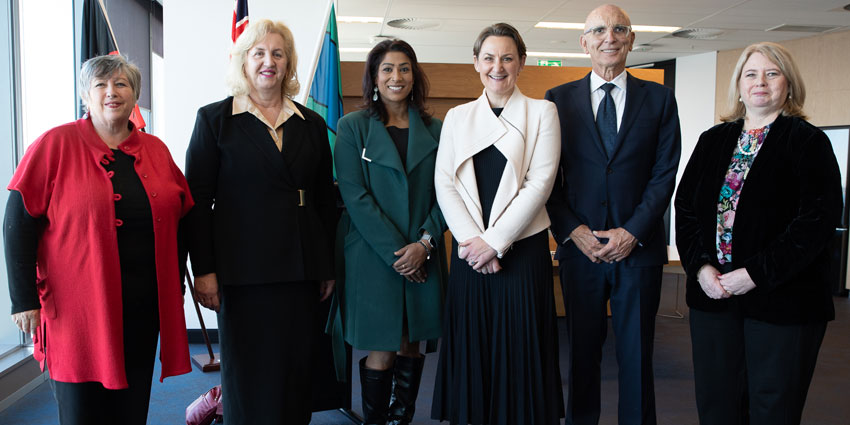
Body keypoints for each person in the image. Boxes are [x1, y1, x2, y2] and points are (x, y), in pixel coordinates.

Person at [3, 54, 193, 424]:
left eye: (121, 84)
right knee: (81, 411)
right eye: (101, 85)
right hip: (76, 312)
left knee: (131, 407)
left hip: (140, 306)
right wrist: (22, 299)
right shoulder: (54, 145)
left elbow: (184, 217)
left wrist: (177, 285)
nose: (112, 92)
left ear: (135, 95)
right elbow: (17, 224)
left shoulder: (156, 150)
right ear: (85, 96)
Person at [675, 42, 841, 425]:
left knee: (773, 408)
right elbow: (685, 211)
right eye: (751, 74)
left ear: (788, 84)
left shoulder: (808, 142)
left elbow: (815, 222)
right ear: (738, 85)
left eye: (772, 73)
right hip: (714, 296)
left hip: (783, 301)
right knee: (717, 406)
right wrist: (701, 268)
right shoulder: (713, 140)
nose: (760, 82)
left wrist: (754, 274)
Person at [185, 19, 336, 424]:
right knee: (249, 375)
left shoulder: (312, 124)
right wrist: (205, 271)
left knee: (294, 371)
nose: (268, 61)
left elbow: (324, 200)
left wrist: (325, 266)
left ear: (288, 64)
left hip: (301, 268)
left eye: (278, 53)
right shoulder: (215, 120)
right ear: (243, 61)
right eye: (259, 53)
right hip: (241, 272)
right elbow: (197, 202)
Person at [545, 4, 682, 424]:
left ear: (632, 39)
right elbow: (546, 179)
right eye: (600, 30)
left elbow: (664, 175)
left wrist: (631, 232)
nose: (611, 37)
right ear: (583, 42)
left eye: (619, 29)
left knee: (637, 356)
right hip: (579, 253)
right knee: (582, 356)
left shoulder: (658, 99)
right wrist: (574, 231)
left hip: (637, 253)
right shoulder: (556, 101)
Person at [431, 22, 564, 425]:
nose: (498, 67)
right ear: (476, 62)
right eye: (489, 58)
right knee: (473, 348)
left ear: (521, 62)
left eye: (507, 57)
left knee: (522, 349)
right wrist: (475, 244)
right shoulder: (457, 116)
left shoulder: (543, 112)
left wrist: (496, 243)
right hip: (471, 255)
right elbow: (444, 183)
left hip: (522, 251)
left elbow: (539, 184)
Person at [333, 39, 447, 425]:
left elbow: (448, 194)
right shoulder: (352, 128)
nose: (395, 77)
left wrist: (424, 244)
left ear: (415, 76)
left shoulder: (437, 129)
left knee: (412, 345)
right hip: (374, 256)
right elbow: (355, 195)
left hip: (424, 252)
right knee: (383, 346)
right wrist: (402, 253)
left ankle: (401, 420)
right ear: (374, 78)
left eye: (403, 68)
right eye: (386, 69)